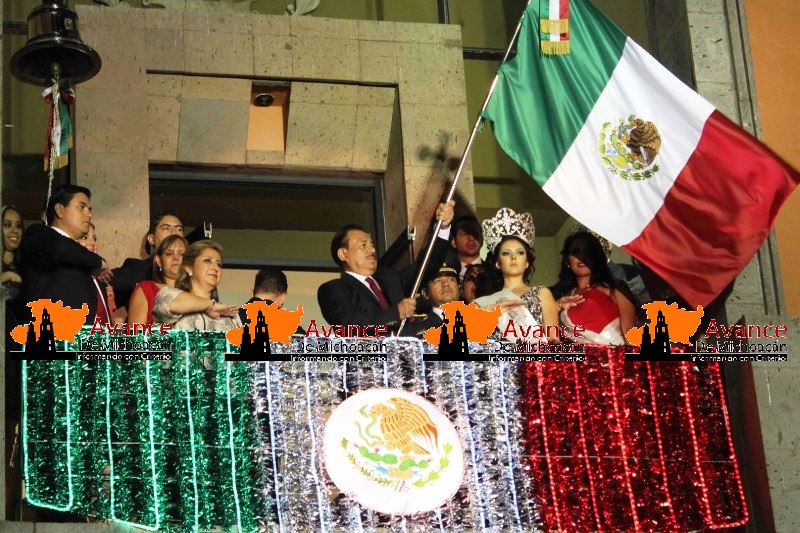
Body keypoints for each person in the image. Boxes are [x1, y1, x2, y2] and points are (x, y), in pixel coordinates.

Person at [317, 201, 455, 336]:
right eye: (363, 245)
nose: (372, 250)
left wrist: (442, 229)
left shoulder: (390, 278)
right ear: (343, 254)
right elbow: (349, 325)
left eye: (372, 245)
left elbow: (426, 267)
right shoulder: (333, 289)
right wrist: (396, 313)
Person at [20, 185, 110, 325]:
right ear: (60, 210)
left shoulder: (82, 257)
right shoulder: (37, 234)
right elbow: (60, 247)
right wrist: (98, 262)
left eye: (90, 209)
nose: (89, 215)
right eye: (81, 207)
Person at [474, 207, 559, 342]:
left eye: (520, 253)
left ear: (527, 262)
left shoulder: (542, 294)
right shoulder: (485, 303)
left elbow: (554, 341)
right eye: (506, 253)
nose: (513, 257)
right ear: (498, 263)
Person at [550, 231, 637, 345]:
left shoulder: (616, 287)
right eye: (576, 252)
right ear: (567, 261)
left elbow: (630, 334)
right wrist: (556, 307)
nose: (582, 256)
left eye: (588, 252)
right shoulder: (561, 297)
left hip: (615, 354)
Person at [152, 240, 240, 331]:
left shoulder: (230, 315)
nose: (215, 267)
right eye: (207, 260)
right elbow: (172, 305)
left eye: (219, 264)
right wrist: (211, 305)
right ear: (189, 268)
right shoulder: (168, 294)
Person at [111, 210, 184, 314]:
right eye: (166, 228)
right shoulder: (136, 269)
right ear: (151, 239)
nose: (174, 233)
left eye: (179, 229)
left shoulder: (192, 271)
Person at [127, 235, 187, 324]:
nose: (176, 258)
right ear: (159, 261)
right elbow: (136, 331)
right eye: (169, 253)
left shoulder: (194, 291)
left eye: (181, 254)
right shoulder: (146, 289)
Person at [78, 222, 118, 322]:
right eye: (85, 238)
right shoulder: (73, 275)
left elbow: (108, 314)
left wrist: (110, 299)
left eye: (94, 238)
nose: (92, 242)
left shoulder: (100, 274)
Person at [413, 258, 462, 334]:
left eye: (451, 279)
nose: (446, 284)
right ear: (425, 293)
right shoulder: (416, 328)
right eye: (437, 281)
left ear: (459, 289)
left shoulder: (476, 320)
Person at [450, 215, 483, 280]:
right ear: (453, 242)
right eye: (465, 233)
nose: (471, 238)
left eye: (475, 233)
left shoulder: (494, 273)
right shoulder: (447, 273)